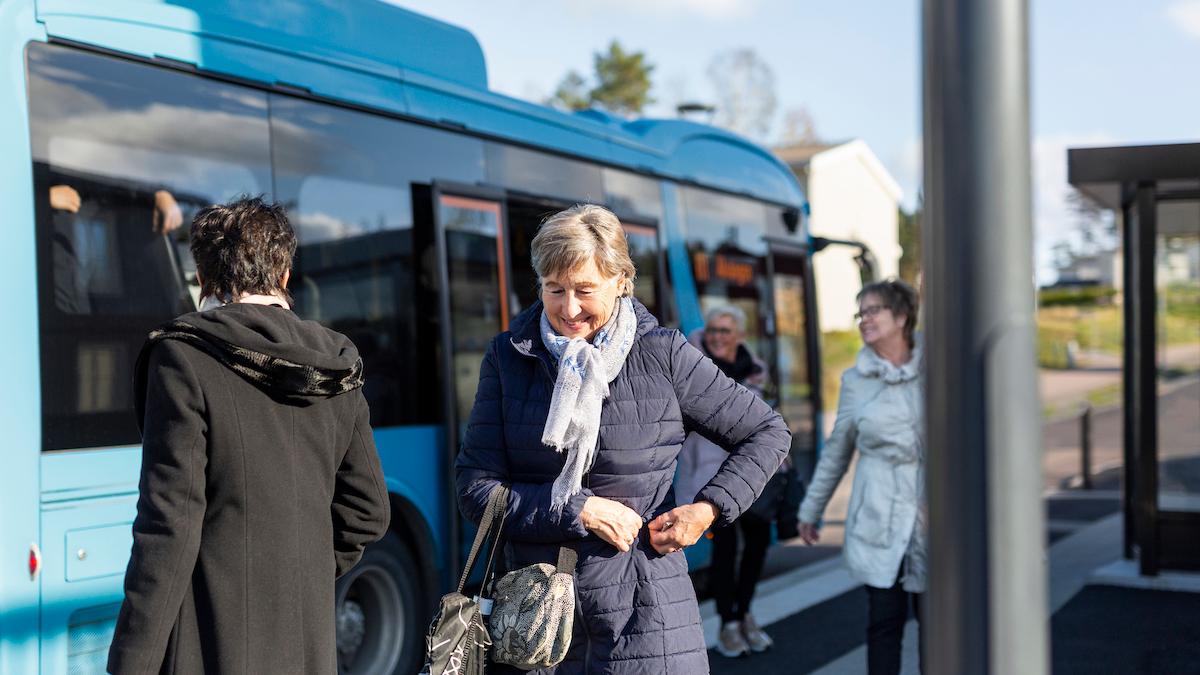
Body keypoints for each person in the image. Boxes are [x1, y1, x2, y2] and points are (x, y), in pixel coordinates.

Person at [455, 204, 790, 673]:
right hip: (535, 627)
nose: (568, 308)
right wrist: (578, 509)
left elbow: (767, 431)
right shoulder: (510, 357)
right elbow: (476, 490)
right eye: (554, 290)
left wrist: (707, 509)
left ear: (621, 281)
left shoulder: (663, 354)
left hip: (648, 620)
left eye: (585, 290)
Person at [107, 197, 391, 674]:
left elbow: (168, 526)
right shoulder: (337, 361)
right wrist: (301, 571)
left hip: (210, 640)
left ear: (204, 275)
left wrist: (131, 662)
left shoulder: (183, 357)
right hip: (307, 646)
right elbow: (369, 512)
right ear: (284, 274)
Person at [797, 279, 925, 675]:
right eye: (860, 313)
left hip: (933, 517)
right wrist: (811, 510)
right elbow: (837, 452)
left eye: (873, 311)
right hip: (879, 514)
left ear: (901, 317)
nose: (863, 320)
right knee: (884, 623)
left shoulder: (939, 369)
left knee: (940, 626)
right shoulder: (856, 381)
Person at [674, 306, 777, 657]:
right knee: (725, 553)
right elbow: (680, 437)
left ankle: (745, 612)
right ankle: (728, 623)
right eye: (713, 329)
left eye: (725, 330)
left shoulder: (755, 372)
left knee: (757, 549)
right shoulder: (691, 370)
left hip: (754, 480)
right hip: (711, 482)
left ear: (740, 336)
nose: (717, 336)